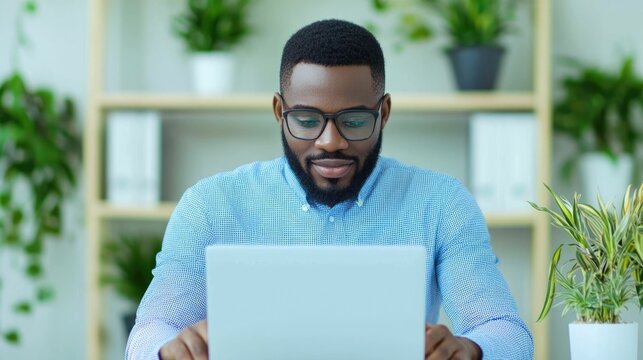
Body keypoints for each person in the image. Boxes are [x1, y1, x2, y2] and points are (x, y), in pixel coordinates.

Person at [126, 19, 533, 360]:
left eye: (354, 121)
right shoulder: (210, 205)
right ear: (278, 112)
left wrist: (470, 349)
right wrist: (168, 350)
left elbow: (507, 333)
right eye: (306, 120)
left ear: (384, 113)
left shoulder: (441, 203)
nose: (329, 142)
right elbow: (148, 333)